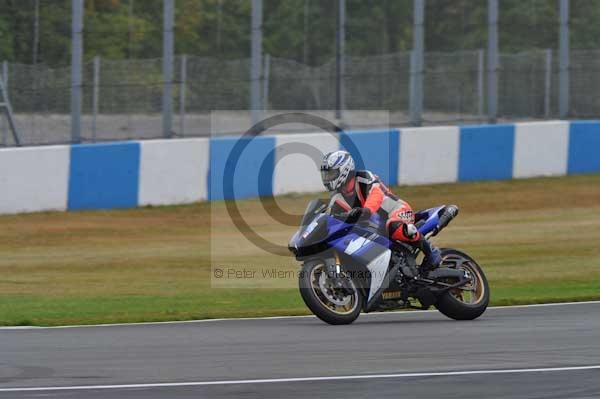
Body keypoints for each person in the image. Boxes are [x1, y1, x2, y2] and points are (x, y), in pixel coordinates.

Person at [320, 150, 441, 273]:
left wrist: (366, 210)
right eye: (326, 175)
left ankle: (431, 251)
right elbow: (331, 216)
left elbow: (376, 194)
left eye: (331, 174)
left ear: (344, 169)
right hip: (374, 223)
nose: (328, 178)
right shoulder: (337, 197)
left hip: (396, 211)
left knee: (393, 225)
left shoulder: (364, 178)